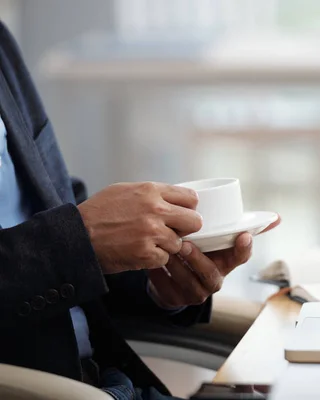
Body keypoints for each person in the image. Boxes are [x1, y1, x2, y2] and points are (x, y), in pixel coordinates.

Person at [0, 21, 279, 399]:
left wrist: (157, 281)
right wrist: (77, 242)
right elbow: (67, 239)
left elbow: (51, 210)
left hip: (112, 382)